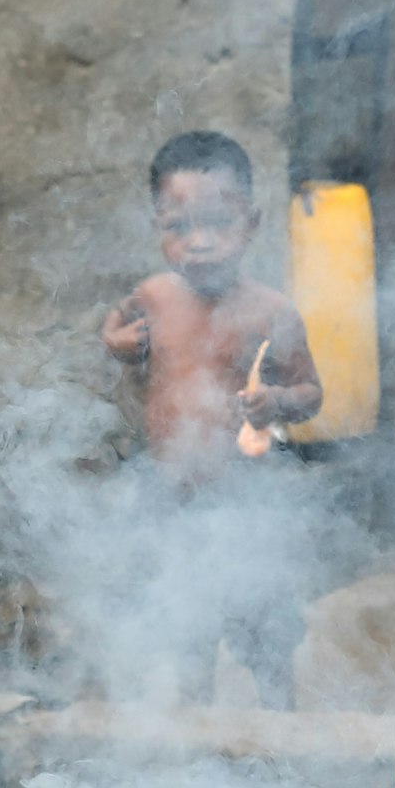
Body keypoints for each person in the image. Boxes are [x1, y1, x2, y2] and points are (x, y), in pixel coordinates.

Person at [100, 130, 325, 701]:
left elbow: (310, 393)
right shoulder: (153, 295)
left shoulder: (270, 311)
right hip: (172, 495)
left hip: (248, 496)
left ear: (251, 222)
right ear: (157, 227)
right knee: (188, 627)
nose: (199, 243)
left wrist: (276, 402)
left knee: (264, 628)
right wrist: (118, 340)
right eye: (178, 228)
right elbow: (115, 326)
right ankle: (196, 751)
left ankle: (285, 739)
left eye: (218, 225)